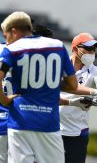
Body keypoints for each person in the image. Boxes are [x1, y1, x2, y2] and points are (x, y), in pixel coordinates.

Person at [0, 11, 78, 163]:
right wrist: (51, 85)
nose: (6, 40)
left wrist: (4, 100)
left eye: (6, 35)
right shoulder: (57, 46)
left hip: (19, 121)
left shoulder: (12, 49)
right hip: (48, 121)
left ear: (14, 31)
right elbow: (73, 85)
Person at [59, 32, 97, 163]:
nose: (92, 52)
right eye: (88, 48)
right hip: (53, 129)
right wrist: (95, 92)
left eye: (94, 49)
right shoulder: (59, 65)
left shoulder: (93, 70)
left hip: (78, 133)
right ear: (74, 49)